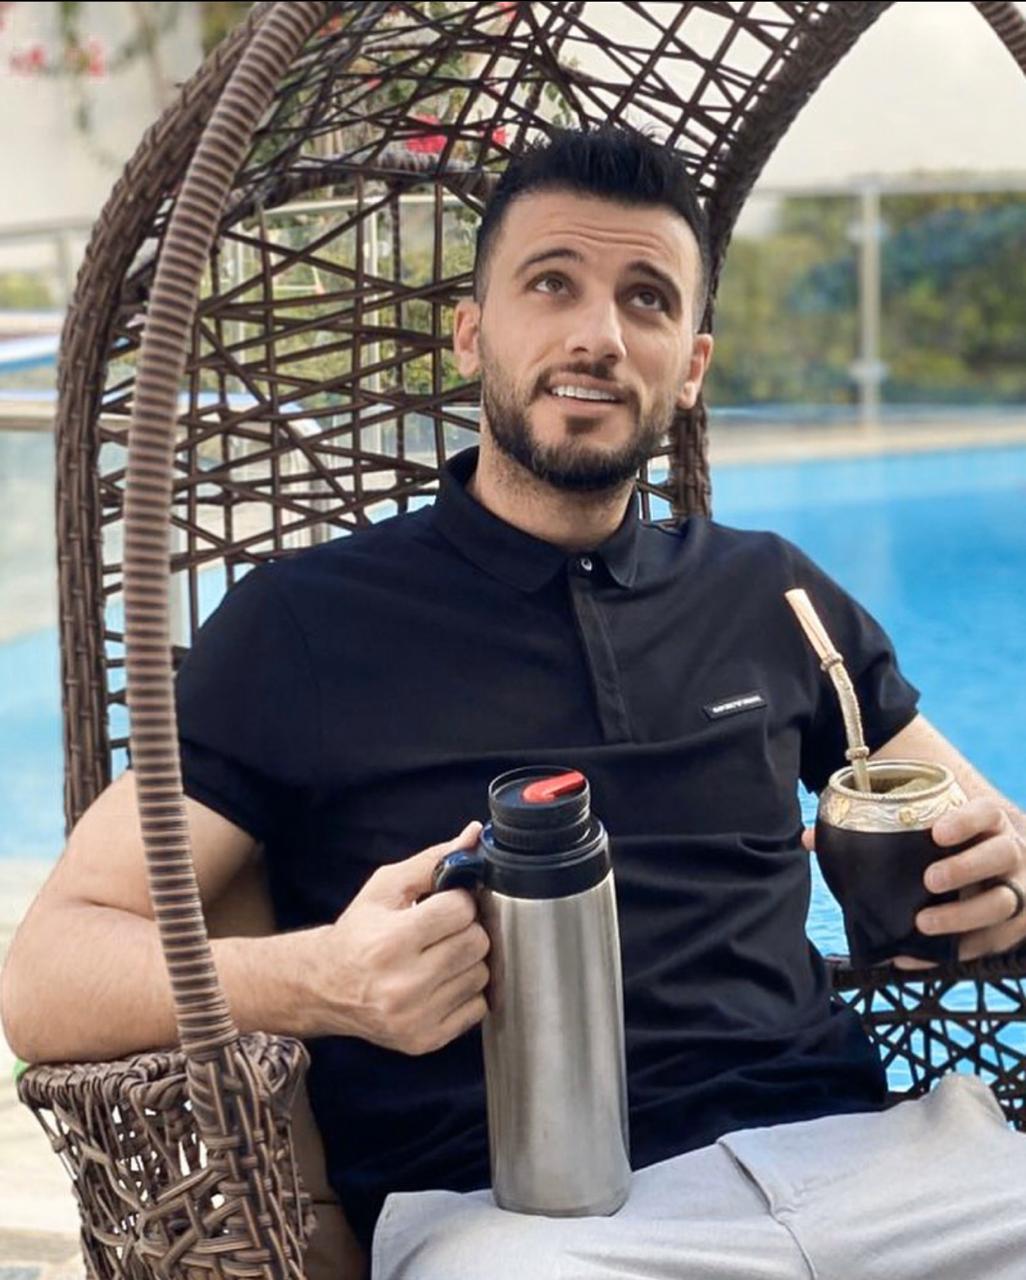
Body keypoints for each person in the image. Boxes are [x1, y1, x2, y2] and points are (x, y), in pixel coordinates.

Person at [3, 127, 1026, 1279]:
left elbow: (992, 842)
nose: (599, 335)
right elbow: (46, 973)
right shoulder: (305, 625)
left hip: (879, 1169)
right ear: (472, 332)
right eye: (552, 284)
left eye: (646, 299)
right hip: (533, 1227)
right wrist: (325, 979)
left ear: (690, 366)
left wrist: (1004, 886)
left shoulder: (775, 595)